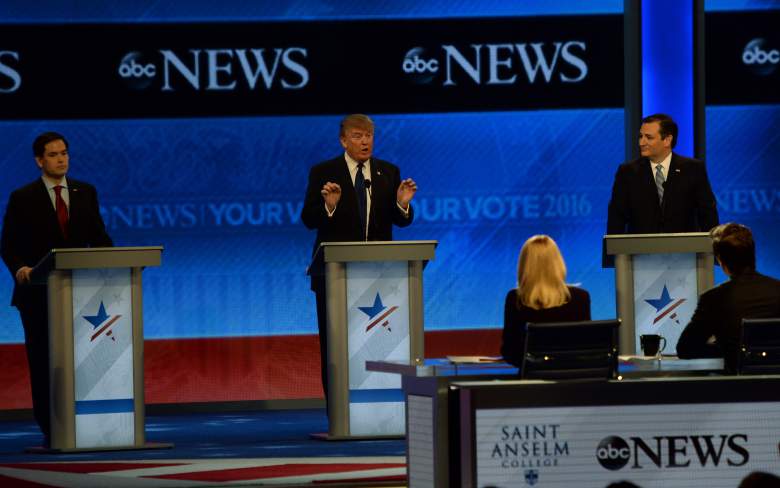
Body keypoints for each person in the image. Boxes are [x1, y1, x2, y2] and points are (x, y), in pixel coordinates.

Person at [1, 132, 113, 446]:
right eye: (53, 154)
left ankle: (89, 423)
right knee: (43, 362)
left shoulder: (85, 192)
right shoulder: (22, 197)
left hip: (82, 295)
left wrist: (114, 265)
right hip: (37, 295)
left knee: (84, 359)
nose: (61, 159)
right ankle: (52, 428)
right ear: (39, 160)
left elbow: (100, 239)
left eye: (64, 153)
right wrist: (21, 268)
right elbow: (8, 245)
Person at [301, 114, 417, 402]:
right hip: (334, 277)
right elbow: (307, 219)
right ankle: (338, 412)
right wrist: (329, 206)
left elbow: (399, 221)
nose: (365, 141)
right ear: (343, 140)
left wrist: (402, 204)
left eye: (369, 135)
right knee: (335, 347)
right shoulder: (324, 172)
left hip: (380, 277)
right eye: (357, 135)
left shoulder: (388, 172)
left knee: (379, 343)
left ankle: (380, 409)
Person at [676, 223, 780, 372]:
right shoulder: (777, 290)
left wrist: (727, 348)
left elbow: (686, 349)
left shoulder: (713, 299)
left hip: (735, 390)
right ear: (752, 255)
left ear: (720, 260)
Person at [607, 113, 719, 235]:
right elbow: (616, 219)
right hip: (641, 251)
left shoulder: (692, 169)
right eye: (640, 136)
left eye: (649, 137)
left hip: (683, 250)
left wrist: (711, 250)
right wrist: (615, 252)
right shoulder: (627, 172)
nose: (641, 143)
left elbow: (708, 215)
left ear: (667, 140)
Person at [501, 235, 591, 368]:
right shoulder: (580, 298)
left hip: (531, 380)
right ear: (558, 262)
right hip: (573, 378)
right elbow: (587, 346)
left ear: (524, 265)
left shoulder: (515, 299)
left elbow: (510, 352)